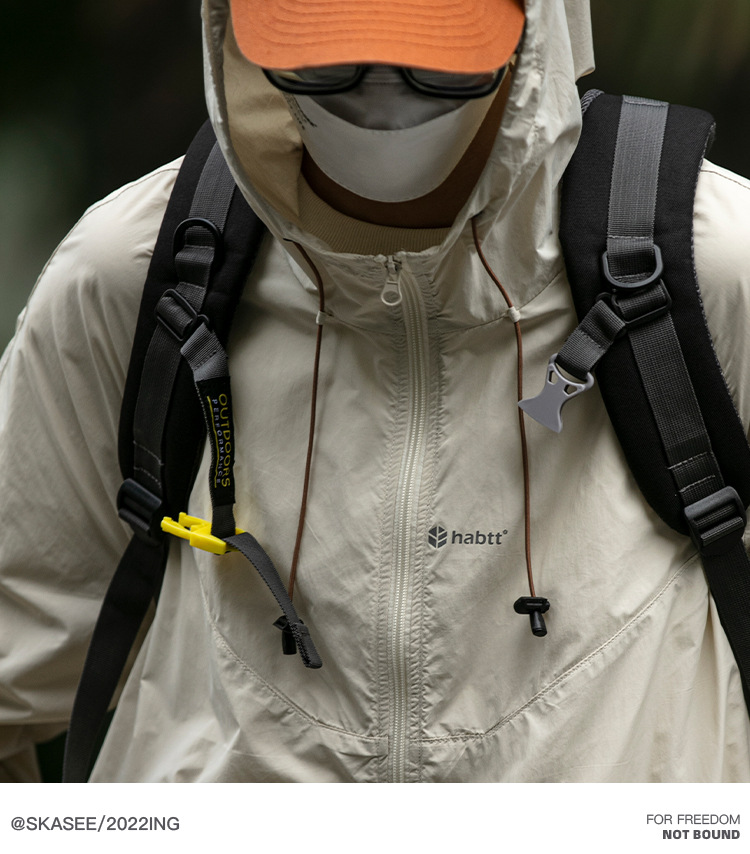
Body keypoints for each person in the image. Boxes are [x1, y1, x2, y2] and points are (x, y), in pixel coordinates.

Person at [1, 0, 749, 783]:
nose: (382, 101)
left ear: (536, 34)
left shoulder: (715, 268)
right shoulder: (133, 272)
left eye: (435, 62)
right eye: (327, 58)